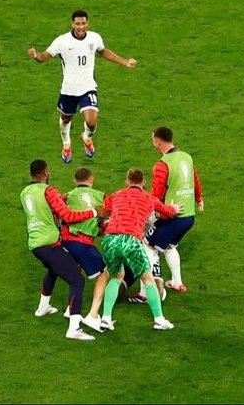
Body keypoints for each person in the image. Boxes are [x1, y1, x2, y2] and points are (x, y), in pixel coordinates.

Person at [28, 10, 137, 164]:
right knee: (66, 119)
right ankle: (66, 144)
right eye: (78, 24)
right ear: (72, 24)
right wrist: (36, 56)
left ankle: (86, 137)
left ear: (87, 23)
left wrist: (125, 61)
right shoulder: (62, 41)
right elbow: (45, 56)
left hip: (88, 87)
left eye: (83, 23)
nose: (81, 27)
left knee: (92, 121)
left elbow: (103, 52)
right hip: (69, 89)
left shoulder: (94, 38)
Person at [20, 159, 107, 341]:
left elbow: (44, 210)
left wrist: (60, 199)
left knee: (53, 270)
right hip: (49, 243)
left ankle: (43, 308)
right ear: (46, 172)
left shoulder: (25, 192)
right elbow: (67, 216)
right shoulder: (48, 191)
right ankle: (74, 328)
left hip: (35, 243)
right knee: (77, 280)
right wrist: (93, 212)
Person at [99, 168, 182, 332]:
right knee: (148, 279)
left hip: (109, 239)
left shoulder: (116, 195)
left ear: (127, 181)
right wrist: (174, 209)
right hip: (130, 239)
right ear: (144, 183)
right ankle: (159, 320)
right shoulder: (149, 198)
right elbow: (167, 211)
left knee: (116, 277)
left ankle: (105, 319)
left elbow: (105, 207)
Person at [129, 126, 203, 302]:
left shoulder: (162, 165)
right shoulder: (187, 157)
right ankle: (177, 282)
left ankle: (147, 293)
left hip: (172, 217)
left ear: (158, 141)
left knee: (148, 246)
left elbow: (156, 195)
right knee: (169, 246)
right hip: (189, 217)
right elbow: (195, 179)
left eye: (153, 139)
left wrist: (146, 213)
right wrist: (199, 198)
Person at [61, 167, 109, 333]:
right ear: (92, 180)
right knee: (104, 273)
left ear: (75, 181)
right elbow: (106, 219)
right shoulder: (101, 196)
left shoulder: (67, 196)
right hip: (83, 243)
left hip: (66, 242)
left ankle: (70, 309)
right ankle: (93, 315)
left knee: (76, 273)